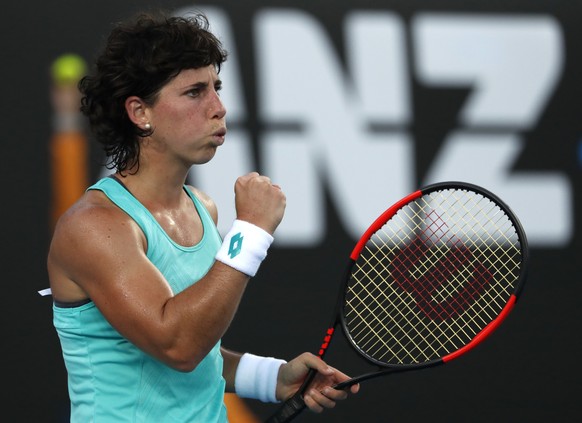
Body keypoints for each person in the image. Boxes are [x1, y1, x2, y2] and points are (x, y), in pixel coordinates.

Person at [47, 10, 359, 422]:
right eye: (194, 92)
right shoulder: (94, 227)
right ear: (141, 113)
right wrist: (250, 232)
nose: (219, 107)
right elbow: (177, 346)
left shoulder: (202, 207)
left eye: (217, 87)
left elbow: (201, 357)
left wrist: (274, 376)